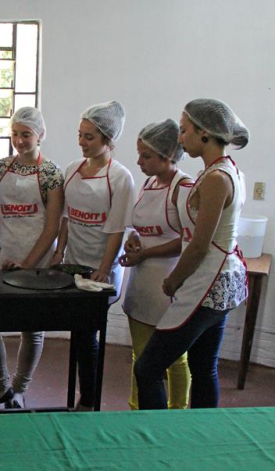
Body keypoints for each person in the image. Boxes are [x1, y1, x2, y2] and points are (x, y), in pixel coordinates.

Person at [135, 99, 249, 410]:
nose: (180, 138)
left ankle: (154, 436)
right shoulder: (226, 172)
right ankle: (198, 437)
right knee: (204, 368)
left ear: (204, 133)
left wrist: (174, 280)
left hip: (208, 282)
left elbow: (199, 245)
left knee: (147, 368)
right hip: (221, 279)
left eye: (184, 131)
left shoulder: (215, 179)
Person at [0, 107, 64, 410]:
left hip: (34, 260)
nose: (19, 140)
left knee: (32, 326)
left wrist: (28, 263)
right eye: (15, 134)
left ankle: (20, 388)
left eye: (26, 134)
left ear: (41, 135)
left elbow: (52, 226)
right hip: (1, 254)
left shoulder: (51, 173)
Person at [56, 101, 135, 411]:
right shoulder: (72, 169)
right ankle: (83, 396)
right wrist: (59, 252)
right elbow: (65, 217)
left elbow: (117, 229)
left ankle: (88, 399)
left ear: (108, 140)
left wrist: (104, 269)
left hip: (102, 268)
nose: (82, 142)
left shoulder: (120, 177)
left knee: (88, 334)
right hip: (73, 263)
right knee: (80, 333)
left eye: (89, 137)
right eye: (80, 135)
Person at [119, 119, 192, 410]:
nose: (139, 162)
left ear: (168, 155)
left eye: (146, 156)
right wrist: (133, 239)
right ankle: (137, 409)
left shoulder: (183, 187)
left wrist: (146, 254)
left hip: (169, 281)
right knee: (140, 354)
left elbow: (188, 240)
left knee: (175, 358)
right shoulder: (149, 184)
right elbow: (143, 227)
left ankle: (177, 412)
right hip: (141, 280)